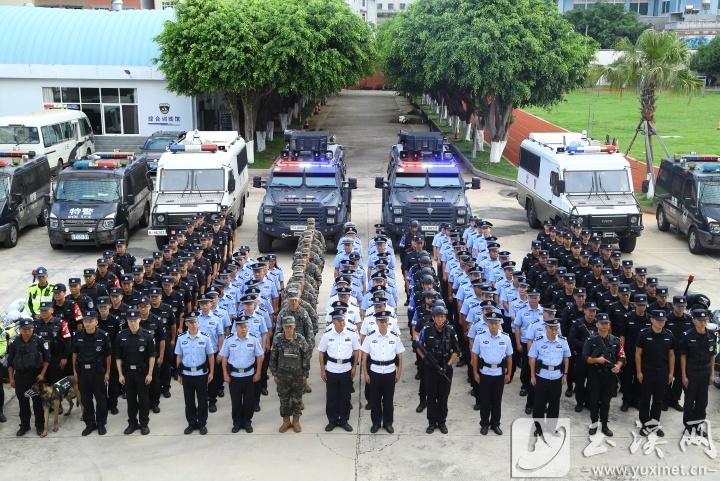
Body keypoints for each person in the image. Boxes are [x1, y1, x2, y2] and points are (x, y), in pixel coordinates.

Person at [418, 305, 459, 434]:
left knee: (443, 397)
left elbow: (456, 351)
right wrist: (426, 359)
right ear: (434, 317)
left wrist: (448, 365)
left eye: (443, 316)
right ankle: (431, 422)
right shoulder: (426, 330)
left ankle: (442, 422)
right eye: (438, 316)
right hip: (431, 369)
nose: (440, 319)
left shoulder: (451, 330)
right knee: (431, 397)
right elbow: (419, 347)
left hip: (446, 369)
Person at [361, 311, 404, 434]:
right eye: (381, 321)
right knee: (375, 400)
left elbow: (400, 356)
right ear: (377, 322)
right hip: (375, 372)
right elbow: (364, 356)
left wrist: (399, 372)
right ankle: (375, 423)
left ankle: (388, 423)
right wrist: (366, 373)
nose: (383, 324)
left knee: (388, 400)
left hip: (390, 372)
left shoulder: (394, 336)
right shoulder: (371, 336)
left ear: (388, 322)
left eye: (385, 321)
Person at [582, 313, 625, 437]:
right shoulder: (590, 340)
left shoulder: (615, 340)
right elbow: (585, 358)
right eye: (602, 323)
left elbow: (622, 356)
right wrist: (597, 360)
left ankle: (604, 425)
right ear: (597, 324)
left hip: (610, 376)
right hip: (595, 375)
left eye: (607, 323)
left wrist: (618, 366)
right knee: (594, 402)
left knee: (606, 402)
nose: (605, 326)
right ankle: (594, 424)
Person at [114, 309, 156, 435]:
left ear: (139, 320)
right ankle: (132, 423)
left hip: (142, 373)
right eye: (130, 321)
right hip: (128, 374)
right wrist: (120, 374)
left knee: (143, 400)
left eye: (134, 320)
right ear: (127, 321)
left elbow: (152, 356)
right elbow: (118, 357)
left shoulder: (147, 335)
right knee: (130, 401)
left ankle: (144, 424)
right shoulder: (121, 336)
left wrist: (150, 373)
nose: (132, 323)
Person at [219, 318, 264, 433]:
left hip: (249, 375)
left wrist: (258, 372)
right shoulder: (229, 340)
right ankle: (237, 422)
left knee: (249, 401)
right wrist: (225, 373)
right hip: (234, 376)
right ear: (236, 328)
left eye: (245, 327)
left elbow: (260, 356)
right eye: (241, 327)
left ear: (248, 327)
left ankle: (247, 421)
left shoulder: (253, 339)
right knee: (236, 401)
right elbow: (224, 357)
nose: (243, 329)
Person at [471, 312, 512, 435]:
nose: (494, 326)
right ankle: (484, 424)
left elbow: (509, 357)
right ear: (487, 323)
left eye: (496, 323)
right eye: (491, 323)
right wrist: (475, 373)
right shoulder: (480, 337)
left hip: (499, 374)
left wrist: (509, 373)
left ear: (499, 323)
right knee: (484, 401)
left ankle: (495, 424)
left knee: (496, 401)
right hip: (485, 373)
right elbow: (475, 356)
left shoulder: (506, 338)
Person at [7, 318, 49, 436]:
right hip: (20, 376)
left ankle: (39, 426)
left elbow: (46, 360)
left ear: (33, 328)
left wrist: (42, 374)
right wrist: (11, 378)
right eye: (24, 329)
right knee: (23, 402)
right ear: (20, 330)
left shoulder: (39, 341)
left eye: (29, 328)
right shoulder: (14, 343)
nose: (27, 331)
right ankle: (24, 426)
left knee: (37, 402)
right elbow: (10, 363)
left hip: (35, 376)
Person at [318, 310, 360, 432]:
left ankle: (344, 420)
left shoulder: (351, 334)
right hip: (331, 369)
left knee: (345, 397)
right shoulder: (327, 335)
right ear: (334, 322)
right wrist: (322, 370)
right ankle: (332, 420)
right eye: (339, 321)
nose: (342, 323)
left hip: (346, 369)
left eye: (343, 320)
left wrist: (354, 367)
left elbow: (356, 350)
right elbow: (321, 352)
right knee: (331, 397)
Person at [528, 318, 571, 437]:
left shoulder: (563, 341)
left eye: (556, 329)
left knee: (554, 405)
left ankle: (551, 428)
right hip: (542, 376)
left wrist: (565, 375)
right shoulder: (539, 341)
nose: (554, 331)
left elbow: (566, 358)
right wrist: (532, 376)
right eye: (551, 328)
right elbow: (532, 358)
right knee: (538, 405)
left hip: (557, 377)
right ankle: (539, 428)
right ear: (546, 328)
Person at [636, 310, 675, 437]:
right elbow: (638, 354)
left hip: (662, 373)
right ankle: (645, 423)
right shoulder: (644, 334)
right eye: (658, 320)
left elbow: (671, 355)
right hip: (647, 372)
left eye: (663, 320)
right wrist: (639, 372)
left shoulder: (669, 335)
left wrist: (671, 373)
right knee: (645, 400)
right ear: (652, 320)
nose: (661, 322)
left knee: (658, 401)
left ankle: (654, 423)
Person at [72, 311, 112, 436]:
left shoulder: (103, 335)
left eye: (90, 321)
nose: (87, 323)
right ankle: (90, 424)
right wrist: (75, 371)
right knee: (85, 399)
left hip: (98, 372)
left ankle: (101, 424)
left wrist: (108, 372)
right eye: (85, 321)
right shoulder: (78, 336)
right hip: (83, 372)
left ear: (96, 321)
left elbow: (108, 355)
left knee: (101, 399)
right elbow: (74, 354)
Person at [175, 313, 215, 435]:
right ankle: (191, 423)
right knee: (189, 401)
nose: (193, 325)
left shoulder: (205, 337)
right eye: (190, 322)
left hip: (201, 374)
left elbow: (211, 356)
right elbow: (179, 356)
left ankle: (202, 423)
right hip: (187, 374)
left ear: (198, 323)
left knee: (202, 401)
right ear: (186, 324)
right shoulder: (181, 338)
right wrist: (179, 374)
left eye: (195, 322)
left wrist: (212, 372)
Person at [270, 316, 310, 433]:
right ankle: (286, 421)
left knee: (297, 399)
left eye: (290, 327)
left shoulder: (300, 339)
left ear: (294, 327)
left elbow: (306, 356)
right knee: (284, 399)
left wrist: (305, 373)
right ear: (283, 327)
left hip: (297, 376)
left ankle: (296, 421)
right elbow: (273, 357)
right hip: (282, 376)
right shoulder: (278, 339)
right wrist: (274, 374)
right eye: (286, 327)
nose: (288, 329)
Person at [678, 309, 716, 435]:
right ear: (694, 320)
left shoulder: (711, 336)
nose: (703, 322)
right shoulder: (687, 336)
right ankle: (688, 427)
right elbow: (683, 356)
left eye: (705, 320)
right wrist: (684, 376)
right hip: (691, 373)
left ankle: (698, 426)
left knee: (702, 402)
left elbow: (712, 356)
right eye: (700, 320)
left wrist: (712, 374)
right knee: (689, 402)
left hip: (705, 373)